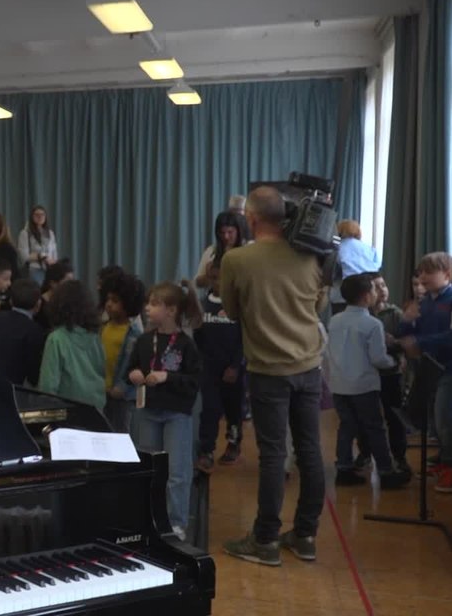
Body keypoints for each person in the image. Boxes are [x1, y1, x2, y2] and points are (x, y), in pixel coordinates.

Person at [220, 186, 328, 568]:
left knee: (272, 456)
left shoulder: (237, 260)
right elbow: (319, 303)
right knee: (310, 451)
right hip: (309, 366)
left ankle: (265, 540)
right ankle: (305, 536)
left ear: (250, 218)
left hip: (268, 370)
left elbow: (231, 311)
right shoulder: (310, 254)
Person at [126, 281, 203, 540]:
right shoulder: (144, 340)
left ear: (171, 310)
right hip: (147, 411)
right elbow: (132, 368)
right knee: (149, 468)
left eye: (154, 304)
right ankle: (149, 518)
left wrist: (167, 378)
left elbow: (194, 381)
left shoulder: (185, 344)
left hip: (176, 413)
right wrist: (134, 375)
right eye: (148, 303)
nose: (147, 308)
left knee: (177, 471)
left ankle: (176, 523)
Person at [328, 274, 410, 490]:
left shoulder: (334, 320)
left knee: (346, 427)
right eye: (373, 290)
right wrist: (394, 362)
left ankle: (343, 469)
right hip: (363, 385)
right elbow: (378, 358)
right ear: (366, 297)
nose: (377, 293)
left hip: (339, 384)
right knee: (375, 428)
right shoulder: (372, 324)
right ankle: (386, 471)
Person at [396, 252, 452, 494]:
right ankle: (446, 458)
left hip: (451, 370)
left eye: (428, 272)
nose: (422, 276)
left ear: (447, 275)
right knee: (437, 420)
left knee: (447, 420)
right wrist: (406, 321)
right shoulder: (425, 302)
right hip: (430, 369)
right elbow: (407, 331)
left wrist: (420, 342)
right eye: (420, 271)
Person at [195, 262, 245, 472]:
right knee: (209, 410)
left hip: (233, 371)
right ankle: (206, 450)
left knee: (234, 411)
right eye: (214, 278)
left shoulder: (238, 307)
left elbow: (244, 339)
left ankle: (233, 443)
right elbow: (197, 337)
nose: (218, 283)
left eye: (222, 278)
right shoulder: (203, 304)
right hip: (209, 370)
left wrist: (235, 366)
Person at [37, 280, 106, 410]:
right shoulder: (96, 337)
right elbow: (101, 370)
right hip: (96, 404)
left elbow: (48, 384)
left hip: (66, 408)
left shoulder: (56, 339)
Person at [367, 274, 410, 474]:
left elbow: (406, 340)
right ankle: (366, 454)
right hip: (369, 375)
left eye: (384, 285)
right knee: (369, 418)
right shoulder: (364, 317)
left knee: (394, 416)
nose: (382, 289)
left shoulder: (396, 313)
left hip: (391, 374)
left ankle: (399, 456)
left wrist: (396, 346)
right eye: (376, 287)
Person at [99, 271, 145, 433]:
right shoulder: (104, 326)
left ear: (128, 304)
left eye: (115, 301)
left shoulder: (134, 333)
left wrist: (121, 387)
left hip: (122, 396)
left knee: (120, 434)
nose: (109, 304)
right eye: (108, 299)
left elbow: (132, 363)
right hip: (103, 391)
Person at [194, 211, 247, 289]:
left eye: (230, 232)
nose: (226, 237)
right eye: (222, 233)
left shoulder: (247, 249)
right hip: (215, 297)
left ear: (238, 232)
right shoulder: (211, 251)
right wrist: (210, 277)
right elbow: (197, 282)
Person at [17, 205, 58, 284]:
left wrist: (53, 263)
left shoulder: (50, 233)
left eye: (42, 214)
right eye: (37, 215)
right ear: (32, 217)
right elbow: (23, 256)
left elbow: (54, 254)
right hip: (34, 269)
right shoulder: (25, 233)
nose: (40, 217)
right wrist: (41, 256)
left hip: (49, 270)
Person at [35, 258, 75, 336]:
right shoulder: (39, 303)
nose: (72, 285)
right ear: (53, 283)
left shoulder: (71, 301)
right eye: (68, 281)